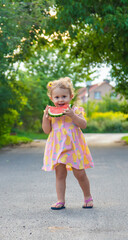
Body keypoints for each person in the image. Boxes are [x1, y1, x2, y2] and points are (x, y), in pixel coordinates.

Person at [42, 77, 94, 210]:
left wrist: (72, 115)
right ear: (52, 98)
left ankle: (88, 197)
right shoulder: (50, 113)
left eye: (64, 96)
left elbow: (83, 125)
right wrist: (45, 118)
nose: (60, 100)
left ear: (71, 97)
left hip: (74, 147)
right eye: (57, 97)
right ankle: (60, 200)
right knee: (60, 174)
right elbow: (47, 130)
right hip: (58, 148)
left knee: (80, 173)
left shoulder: (75, 110)